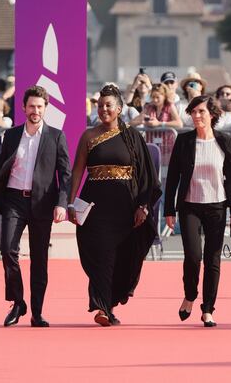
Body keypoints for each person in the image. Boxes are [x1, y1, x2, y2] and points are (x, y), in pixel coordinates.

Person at [66, 85, 161, 326]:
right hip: (94, 205)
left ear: (119, 109)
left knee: (122, 257)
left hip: (126, 207)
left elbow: (146, 176)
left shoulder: (132, 136)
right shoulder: (88, 136)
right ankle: (101, 307)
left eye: (109, 105)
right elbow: (77, 171)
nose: (104, 109)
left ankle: (108, 305)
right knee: (100, 255)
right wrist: (69, 202)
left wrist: (143, 206)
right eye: (100, 105)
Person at [0, 85, 71, 328]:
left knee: (39, 259)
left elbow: (66, 174)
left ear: (45, 109)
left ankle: (37, 312)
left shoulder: (56, 136)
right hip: (13, 200)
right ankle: (18, 302)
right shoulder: (11, 136)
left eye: (39, 107)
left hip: (42, 203)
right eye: (31, 106)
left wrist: (62, 204)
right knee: (8, 249)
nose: (35, 110)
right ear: (23, 108)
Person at [164, 95, 231, 327]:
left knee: (212, 259)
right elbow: (173, 177)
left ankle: (208, 309)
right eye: (193, 112)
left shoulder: (224, 141)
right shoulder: (184, 141)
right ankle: (189, 295)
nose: (196, 116)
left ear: (212, 115)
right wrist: (169, 210)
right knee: (193, 257)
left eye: (201, 112)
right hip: (189, 206)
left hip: (217, 205)